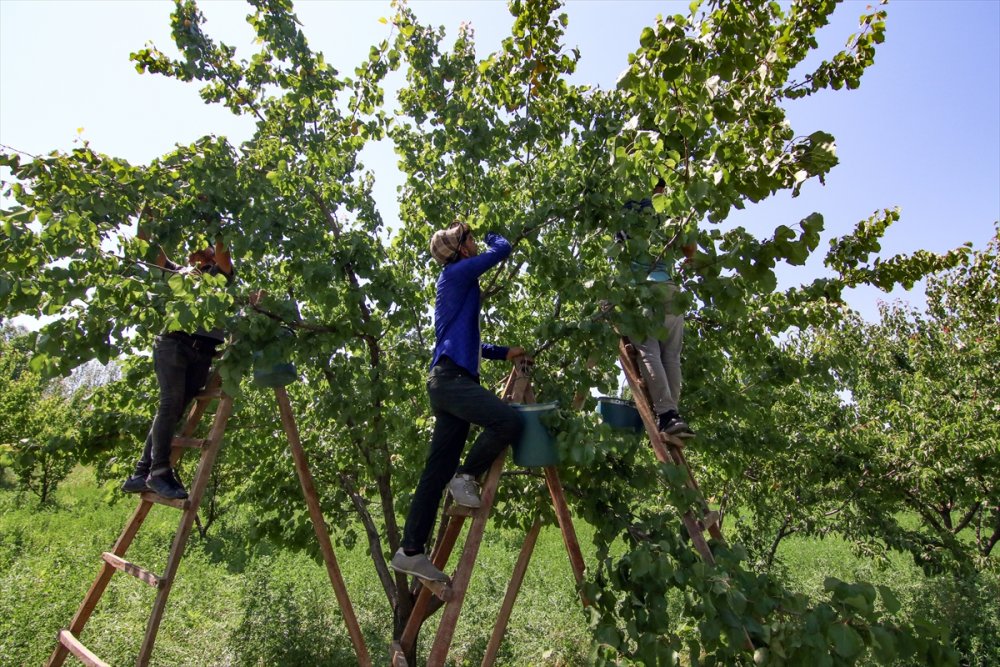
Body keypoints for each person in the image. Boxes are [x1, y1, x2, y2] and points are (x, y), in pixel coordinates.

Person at [390, 222, 526, 582]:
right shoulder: (455, 273)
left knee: (435, 472)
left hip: (449, 380)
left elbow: (472, 344)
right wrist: (495, 229)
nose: (475, 241)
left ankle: (411, 550)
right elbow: (502, 250)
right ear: (462, 249)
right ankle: (466, 476)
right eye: (470, 238)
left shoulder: (457, 287)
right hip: (451, 381)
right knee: (508, 421)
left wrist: (504, 352)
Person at [120, 230, 235, 500]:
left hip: (203, 351)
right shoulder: (178, 274)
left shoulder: (219, 275)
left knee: (175, 409)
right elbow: (150, 247)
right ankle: (159, 472)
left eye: (203, 247)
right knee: (170, 403)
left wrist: (213, 221)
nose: (196, 251)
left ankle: (141, 472)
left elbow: (224, 254)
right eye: (192, 248)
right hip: (174, 344)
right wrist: (149, 215)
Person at [618, 180, 696, 440]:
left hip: (641, 290)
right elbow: (690, 251)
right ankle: (673, 415)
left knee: (649, 351)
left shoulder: (625, 210)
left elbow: (617, 252)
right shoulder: (670, 211)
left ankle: (667, 415)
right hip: (670, 290)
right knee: (671, 355)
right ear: (661, 187)